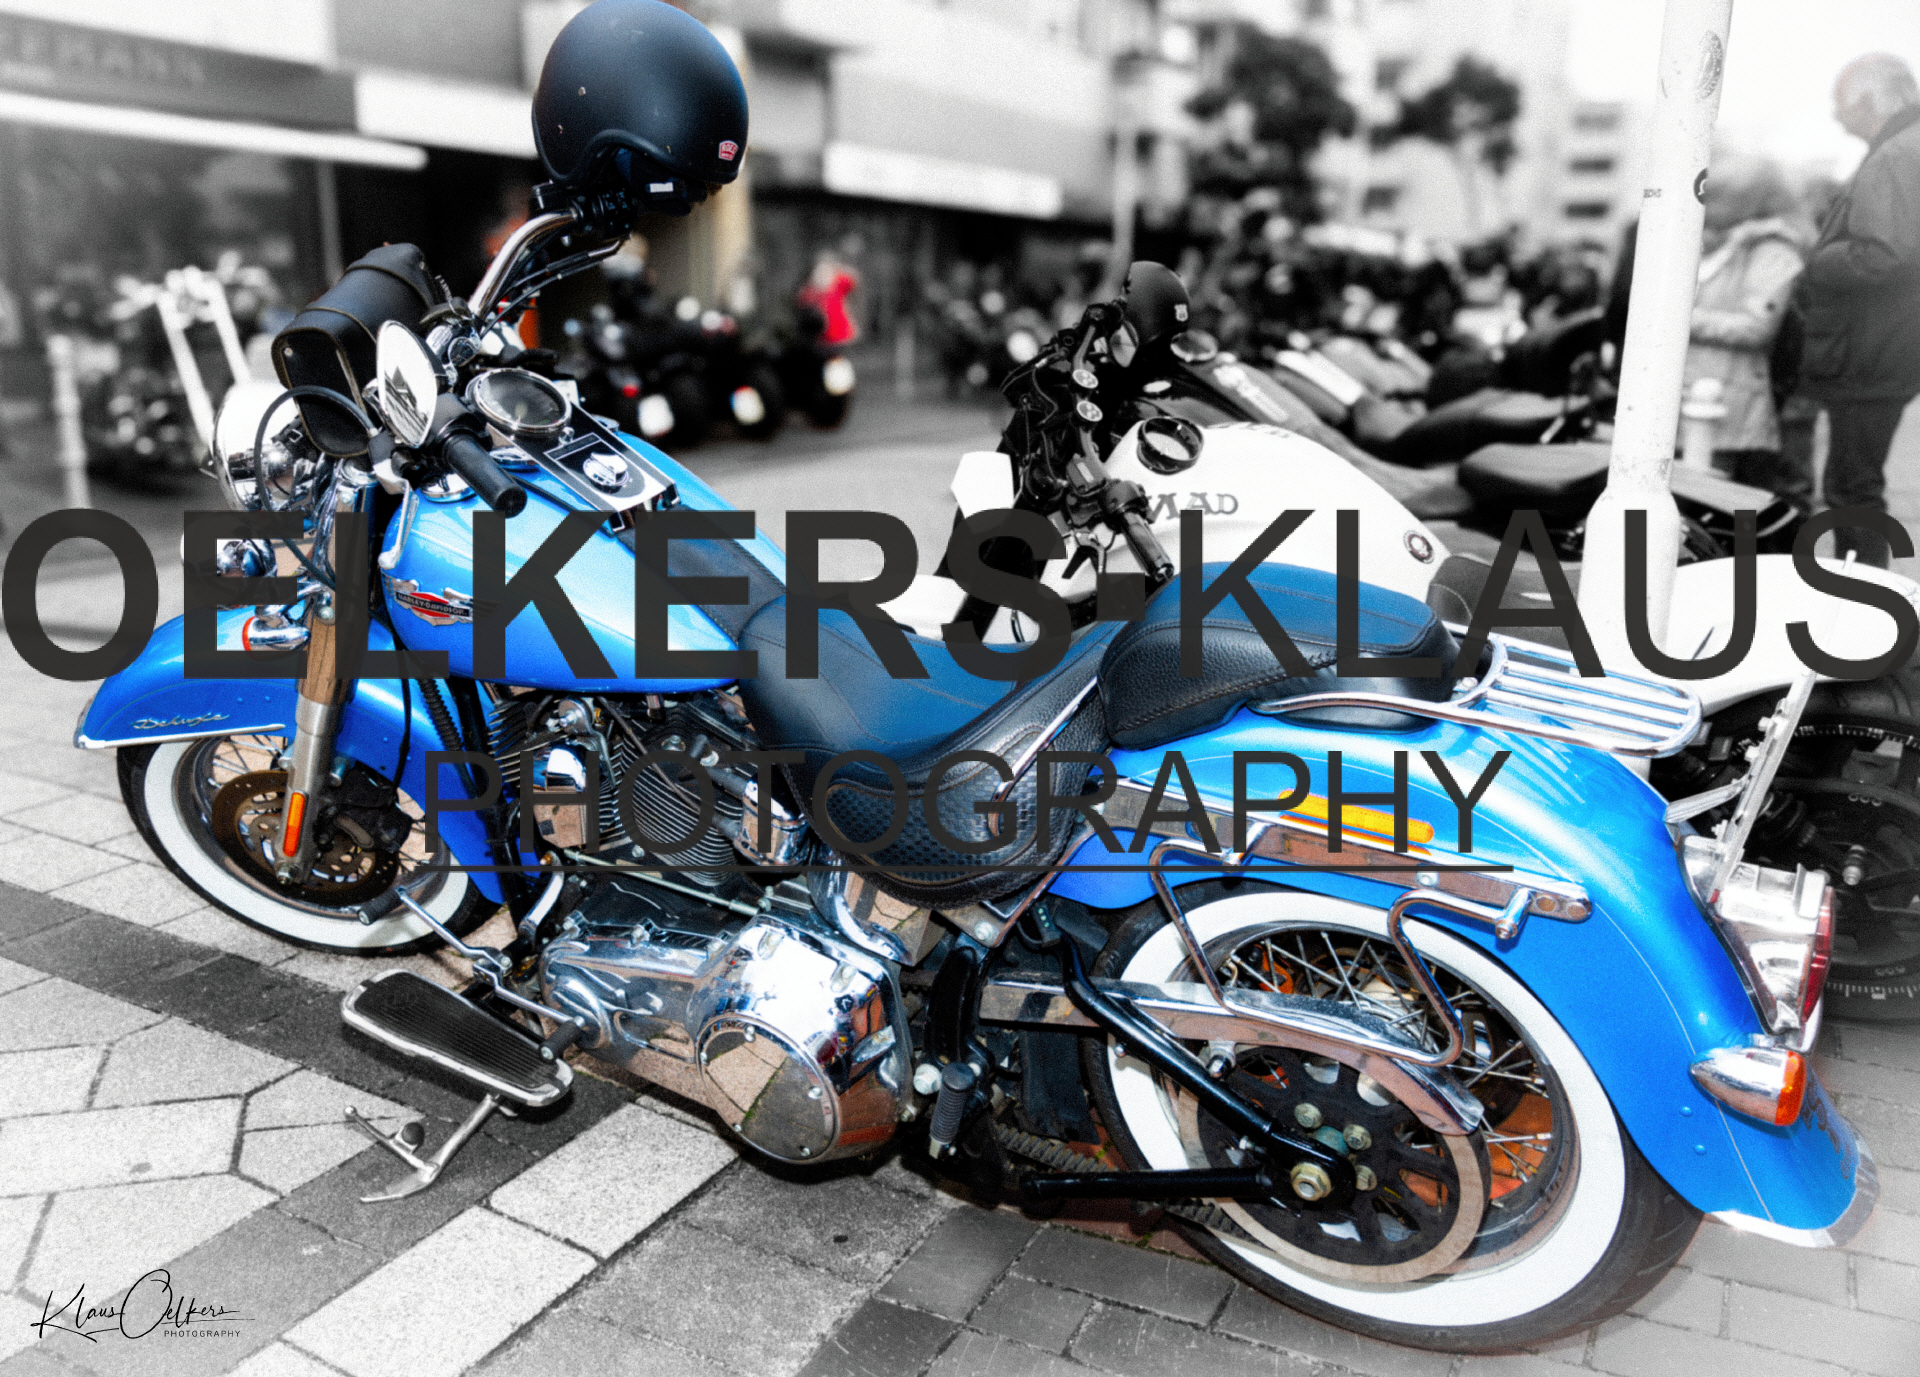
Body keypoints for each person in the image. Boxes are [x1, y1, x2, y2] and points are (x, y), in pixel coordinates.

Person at [1795, 53, 1920, 566]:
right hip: (1887, 343)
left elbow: (1887, 254)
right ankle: (1867, 597)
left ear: (1870, 100)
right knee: (1854, 485)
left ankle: (1865, 603)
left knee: (1851, 489)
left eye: (1841, 104)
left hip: (1868, 348)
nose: (1836, 116)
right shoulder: (1905, 148)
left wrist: (1818, 258)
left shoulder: (1895, 154)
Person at [1681, 157, 1805, 492]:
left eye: (1719, 197)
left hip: (1729, 400)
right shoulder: (1722, 243)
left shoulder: (1772, 250)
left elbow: (1757, 327)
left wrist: (1679, 320)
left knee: (1717, 499)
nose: (1709, 205)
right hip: (1695, 393)